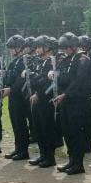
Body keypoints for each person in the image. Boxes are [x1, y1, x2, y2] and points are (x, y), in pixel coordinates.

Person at [55, 32, 91, 175]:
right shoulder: (66, 60)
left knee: (76, 133)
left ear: (74, 46)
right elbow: (62, 77)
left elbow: (79, 80)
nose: (64, 50)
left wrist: (66, 93)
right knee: (67, 131)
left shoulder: (83, 59)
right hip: (65, 101)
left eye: (66, 47)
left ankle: (78, 163)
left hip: (77, 101)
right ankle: (71, 160)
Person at [28, 36, 59, 168]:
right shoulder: (40, 62)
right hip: (37, 99)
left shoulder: (53, 62)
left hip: (47, 101)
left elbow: (47, 83)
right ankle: (42, 154)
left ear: (47, 48)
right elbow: (36, 80)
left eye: (40, 47)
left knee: (47, 129)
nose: (37, 50)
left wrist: (39, 94)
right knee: (38, 128)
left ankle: (50, 157)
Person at [2, 35, 32, 160]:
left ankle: (23, 151)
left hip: (21, 97)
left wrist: (11, 89)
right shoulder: (14, 61)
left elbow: (22, 80)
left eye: (12, 48)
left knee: (21, 124)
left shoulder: (26, 60)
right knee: (15, 123)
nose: (10, 51)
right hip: (13, 97)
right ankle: (18, 148)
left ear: (19, 48)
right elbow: (10, 78)